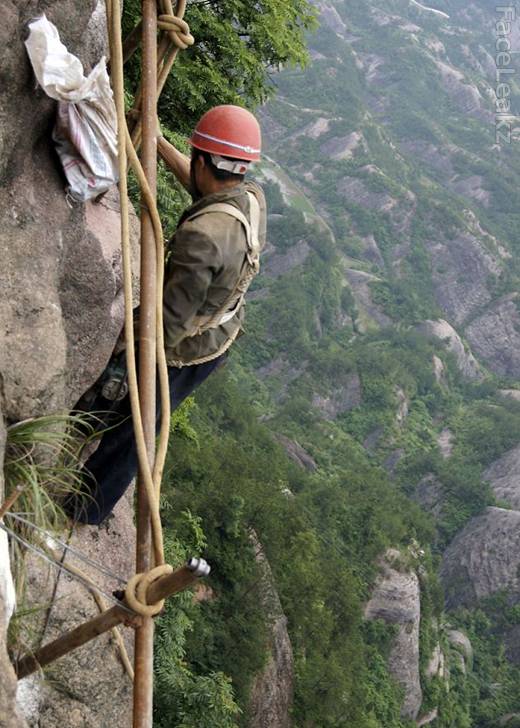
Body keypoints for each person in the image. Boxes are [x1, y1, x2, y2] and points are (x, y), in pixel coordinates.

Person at [66, 105, 266, 525]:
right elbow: (206, 191)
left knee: (134, 425)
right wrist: (156, 142)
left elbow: (168, 327)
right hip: (221, 331)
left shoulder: (202, 238)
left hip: (186, 346)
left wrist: (128, 349)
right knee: (131, 405)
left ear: (203, 161)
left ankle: (84, 509)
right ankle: (83, 435)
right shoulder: (249, 198)